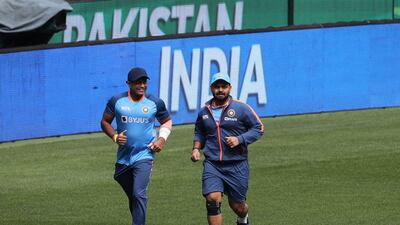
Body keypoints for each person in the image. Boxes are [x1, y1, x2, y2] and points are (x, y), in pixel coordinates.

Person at [101, 67, 172, 225]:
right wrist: (114, 136)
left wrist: (161, 139)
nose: (142, 85)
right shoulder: (117, 101)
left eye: (144, 82)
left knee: (139, 194)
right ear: (128, 83)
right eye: (137, 82)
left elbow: (166, 121)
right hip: (123, 159)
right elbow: (105, 121)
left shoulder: (155, 102)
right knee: (134, 197)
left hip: (145, 155)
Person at [191, 72, 264, 225]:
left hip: (237, 165)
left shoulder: (241, 108)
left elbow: (259, 128)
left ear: (230, 88)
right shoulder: (204, 111)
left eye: (224, 86)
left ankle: (243, 218)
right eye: (217, 87)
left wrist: (240, 139)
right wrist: (196, 148)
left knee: (237, 206)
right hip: (213, 164)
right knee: (213, 199)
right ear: (211, 88)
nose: (220, 90)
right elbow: (199, 132)